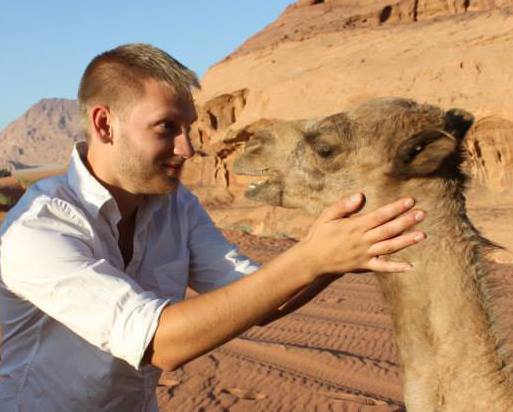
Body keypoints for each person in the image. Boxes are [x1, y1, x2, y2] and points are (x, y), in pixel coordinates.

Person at [0, 43, 426, 411]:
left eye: (188, 128)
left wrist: (339, 253)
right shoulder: (38, 230)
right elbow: (161, 343)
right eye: (167, 128)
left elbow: (263, 296)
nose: (187, 148)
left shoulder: (175, 205)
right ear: (104, 124)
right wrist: (311, 257)